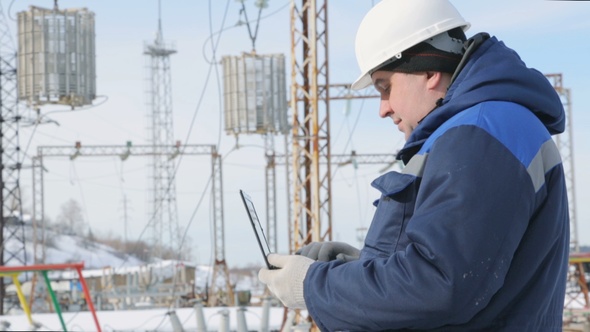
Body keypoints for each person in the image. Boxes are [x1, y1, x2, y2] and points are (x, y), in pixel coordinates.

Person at [258, 0, 570, 330]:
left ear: (428, 71)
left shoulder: (479, 134)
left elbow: (438, 286)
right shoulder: (485, 127)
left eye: (385, 87)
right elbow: (461, 273)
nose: (383, 109)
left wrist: (313, 285)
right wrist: (352, 269)